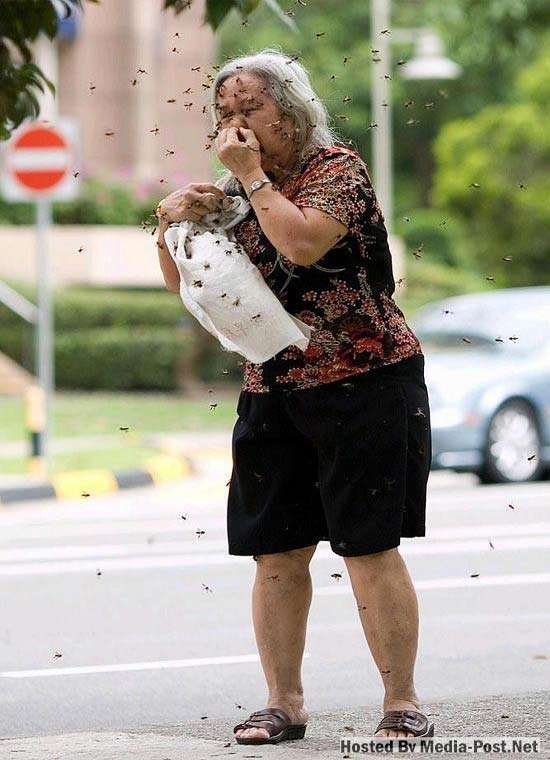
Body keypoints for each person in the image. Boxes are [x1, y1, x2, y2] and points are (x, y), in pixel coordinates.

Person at [156, 47, 434, 746]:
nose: (236, 124)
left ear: (293, 107)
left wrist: (249, 180)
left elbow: (302, 243)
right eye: (225, 112)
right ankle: (283, 703)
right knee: (276, 550)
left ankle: (401, 703)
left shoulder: (336, 171)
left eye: (251, 108)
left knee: (367, 545)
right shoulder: (233, 193)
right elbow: (187, 286)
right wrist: (171, 226)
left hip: (364, 380)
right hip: (273, 383)